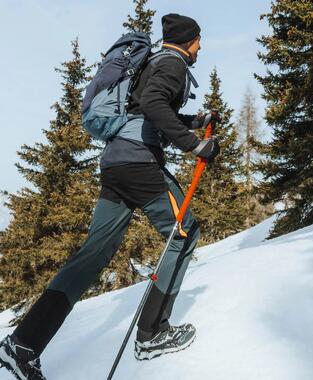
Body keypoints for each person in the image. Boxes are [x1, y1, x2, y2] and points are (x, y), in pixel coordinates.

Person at [0, 13, 220, 380]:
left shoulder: (152, 61)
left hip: (115, 164)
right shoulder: (174, 64)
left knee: (93, 254)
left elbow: (146, 109)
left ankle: (23, 343)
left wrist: (193, 121)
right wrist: (195, 145)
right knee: (184, 234)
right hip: (139, 164)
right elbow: (152, 104)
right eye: (198, 40)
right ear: (187, 41)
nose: (200, 47)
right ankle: (152, 334)